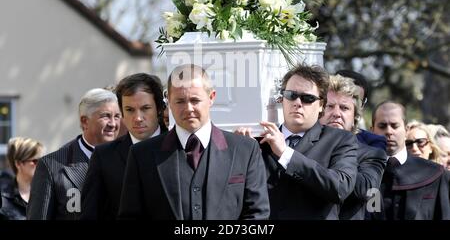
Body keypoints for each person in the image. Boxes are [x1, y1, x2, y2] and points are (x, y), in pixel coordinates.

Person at [118, 64, 270, 219]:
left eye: (195, 100)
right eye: (180, 101)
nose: (188, 108)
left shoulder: (245, 150)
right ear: (169, 102)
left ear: (211, 98)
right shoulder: (141, 154)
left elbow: (257, 214)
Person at [237, 64, 358, 219]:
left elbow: (340, 187)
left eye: (307, 98)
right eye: (291, 95)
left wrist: (286, 154)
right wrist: (237, 154)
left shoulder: (340, 140)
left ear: (321, 105)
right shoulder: (257, 140)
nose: (298, 103)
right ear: (282, 98)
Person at [81, 73, 167, 220]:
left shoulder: (180, 148)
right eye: (130, 110)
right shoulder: (104, 157)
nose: (138, 118)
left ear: (159, 108)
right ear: (121, 111)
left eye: (145, 108)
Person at [27, 88, 121, 220]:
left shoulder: (128, 159)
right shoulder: (51, 165)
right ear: (84, 121)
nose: (113, 124)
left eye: (117, 116)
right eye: (105, 116)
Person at [319, 75, 386, 220]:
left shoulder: (373, 154)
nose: (336, 113)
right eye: (329, 106)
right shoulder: (299, 144)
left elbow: (365, 190)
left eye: (344, 108)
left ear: (355, 116)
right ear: (318, 111)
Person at [371, 101, 450, 220]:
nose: (389, 132)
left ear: (406, 129)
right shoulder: (362, 173)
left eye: (394, 126)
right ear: (372, 130)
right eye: (382, 126)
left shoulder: (436, 175)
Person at [336, 69, 386, 150]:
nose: (337, 112)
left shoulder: (373, 143)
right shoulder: (309, 136)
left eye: (357, 101)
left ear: (362, 106)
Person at [0, 137, 44, 220]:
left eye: (42, 160)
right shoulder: (4, 198)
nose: (40, 165)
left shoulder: (48, 193)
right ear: (18, 164)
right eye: (35, 161)